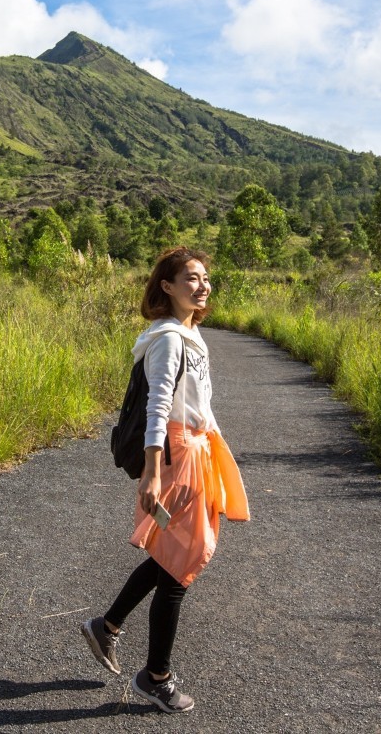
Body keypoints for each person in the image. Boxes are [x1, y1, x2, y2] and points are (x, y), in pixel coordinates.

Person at [81, 246, 250, 713]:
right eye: (191, 278)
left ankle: (108, 627)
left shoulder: (192, 335)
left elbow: (199, 406)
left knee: (170, 558)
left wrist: (218, 451)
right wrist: (153, 472)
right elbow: (158, 408)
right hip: (176, 457)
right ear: (167, 287)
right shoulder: (169, 338)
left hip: (197, 452)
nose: (202, 285)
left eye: (205, 278)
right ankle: (155, 677)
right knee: (180, 566)